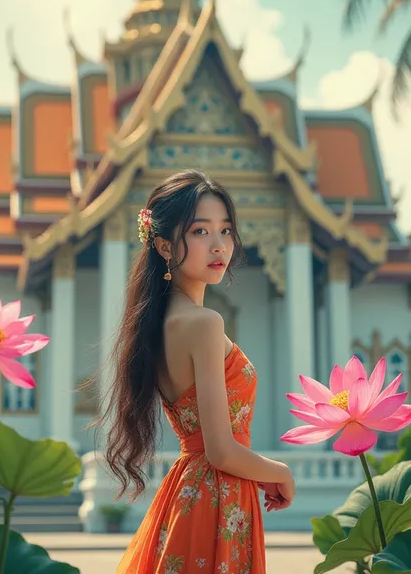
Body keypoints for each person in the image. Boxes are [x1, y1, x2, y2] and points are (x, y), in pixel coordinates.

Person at [96, 168, 296, 573]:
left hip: (188, 491)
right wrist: (281, 471)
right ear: (165, 247)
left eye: (225, 231)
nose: (219, 245)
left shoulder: (155, 325)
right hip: (219, 497)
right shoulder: (204, 324)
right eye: (200, 232)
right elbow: (221, 451)